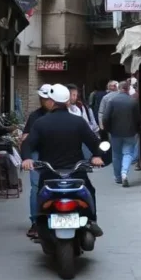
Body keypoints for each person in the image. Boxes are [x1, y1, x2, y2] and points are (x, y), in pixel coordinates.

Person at [21, 84, 105, 236]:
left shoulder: (41, 123)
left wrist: (27, 159)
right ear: (67, 102)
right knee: (89, 191)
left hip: (48, 172)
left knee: (40, 194)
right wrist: (97, 156)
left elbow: (27, 144)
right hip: (76, 171)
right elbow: (94, 143)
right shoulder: (78, 122)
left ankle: (38, 224)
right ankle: (92, 221)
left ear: (52, 102)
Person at [22, 84, 54, 238]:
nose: (45, 101)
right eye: (43, 98)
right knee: (36, 187)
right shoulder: (35, 116)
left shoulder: (62, 114)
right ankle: (35, 222)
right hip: (36, 154)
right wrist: (27, 157)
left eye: (47, 98)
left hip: (56, 154)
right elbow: (26, 137)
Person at [100, 81, 141, 187]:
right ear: (128, 89)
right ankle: (124, 173)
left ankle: (118, 177)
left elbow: (105, 117)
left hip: (115, 133)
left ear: (119, 88)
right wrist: (137, 129)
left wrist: (108, 129)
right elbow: (138, 119)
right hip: (130, 132)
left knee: (116, 155)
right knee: (128, 153)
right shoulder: (133, 102)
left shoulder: (112, 101)